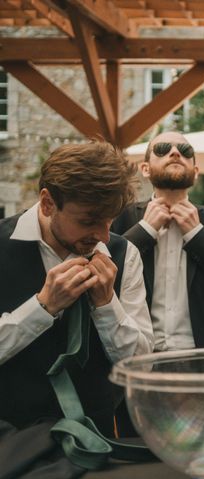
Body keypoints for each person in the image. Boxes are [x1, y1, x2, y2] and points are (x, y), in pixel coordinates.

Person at [0, 141, 154, 436]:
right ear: (47, 203)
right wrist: (42, 307)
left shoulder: (125, 255)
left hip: (97, 445)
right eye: (89, 221)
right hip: (10, 446)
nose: (103, 236)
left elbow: (140, 369)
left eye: (110, 221)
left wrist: (108, 305)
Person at [111, 131, 204, 351]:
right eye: (162, 149)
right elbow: (106, 272)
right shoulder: (121, 217)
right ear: (145, 168)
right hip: (138, 352)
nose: (174, 153)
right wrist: (144, 231)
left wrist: (197, 234)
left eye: (185, 151)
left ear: (195, 172)